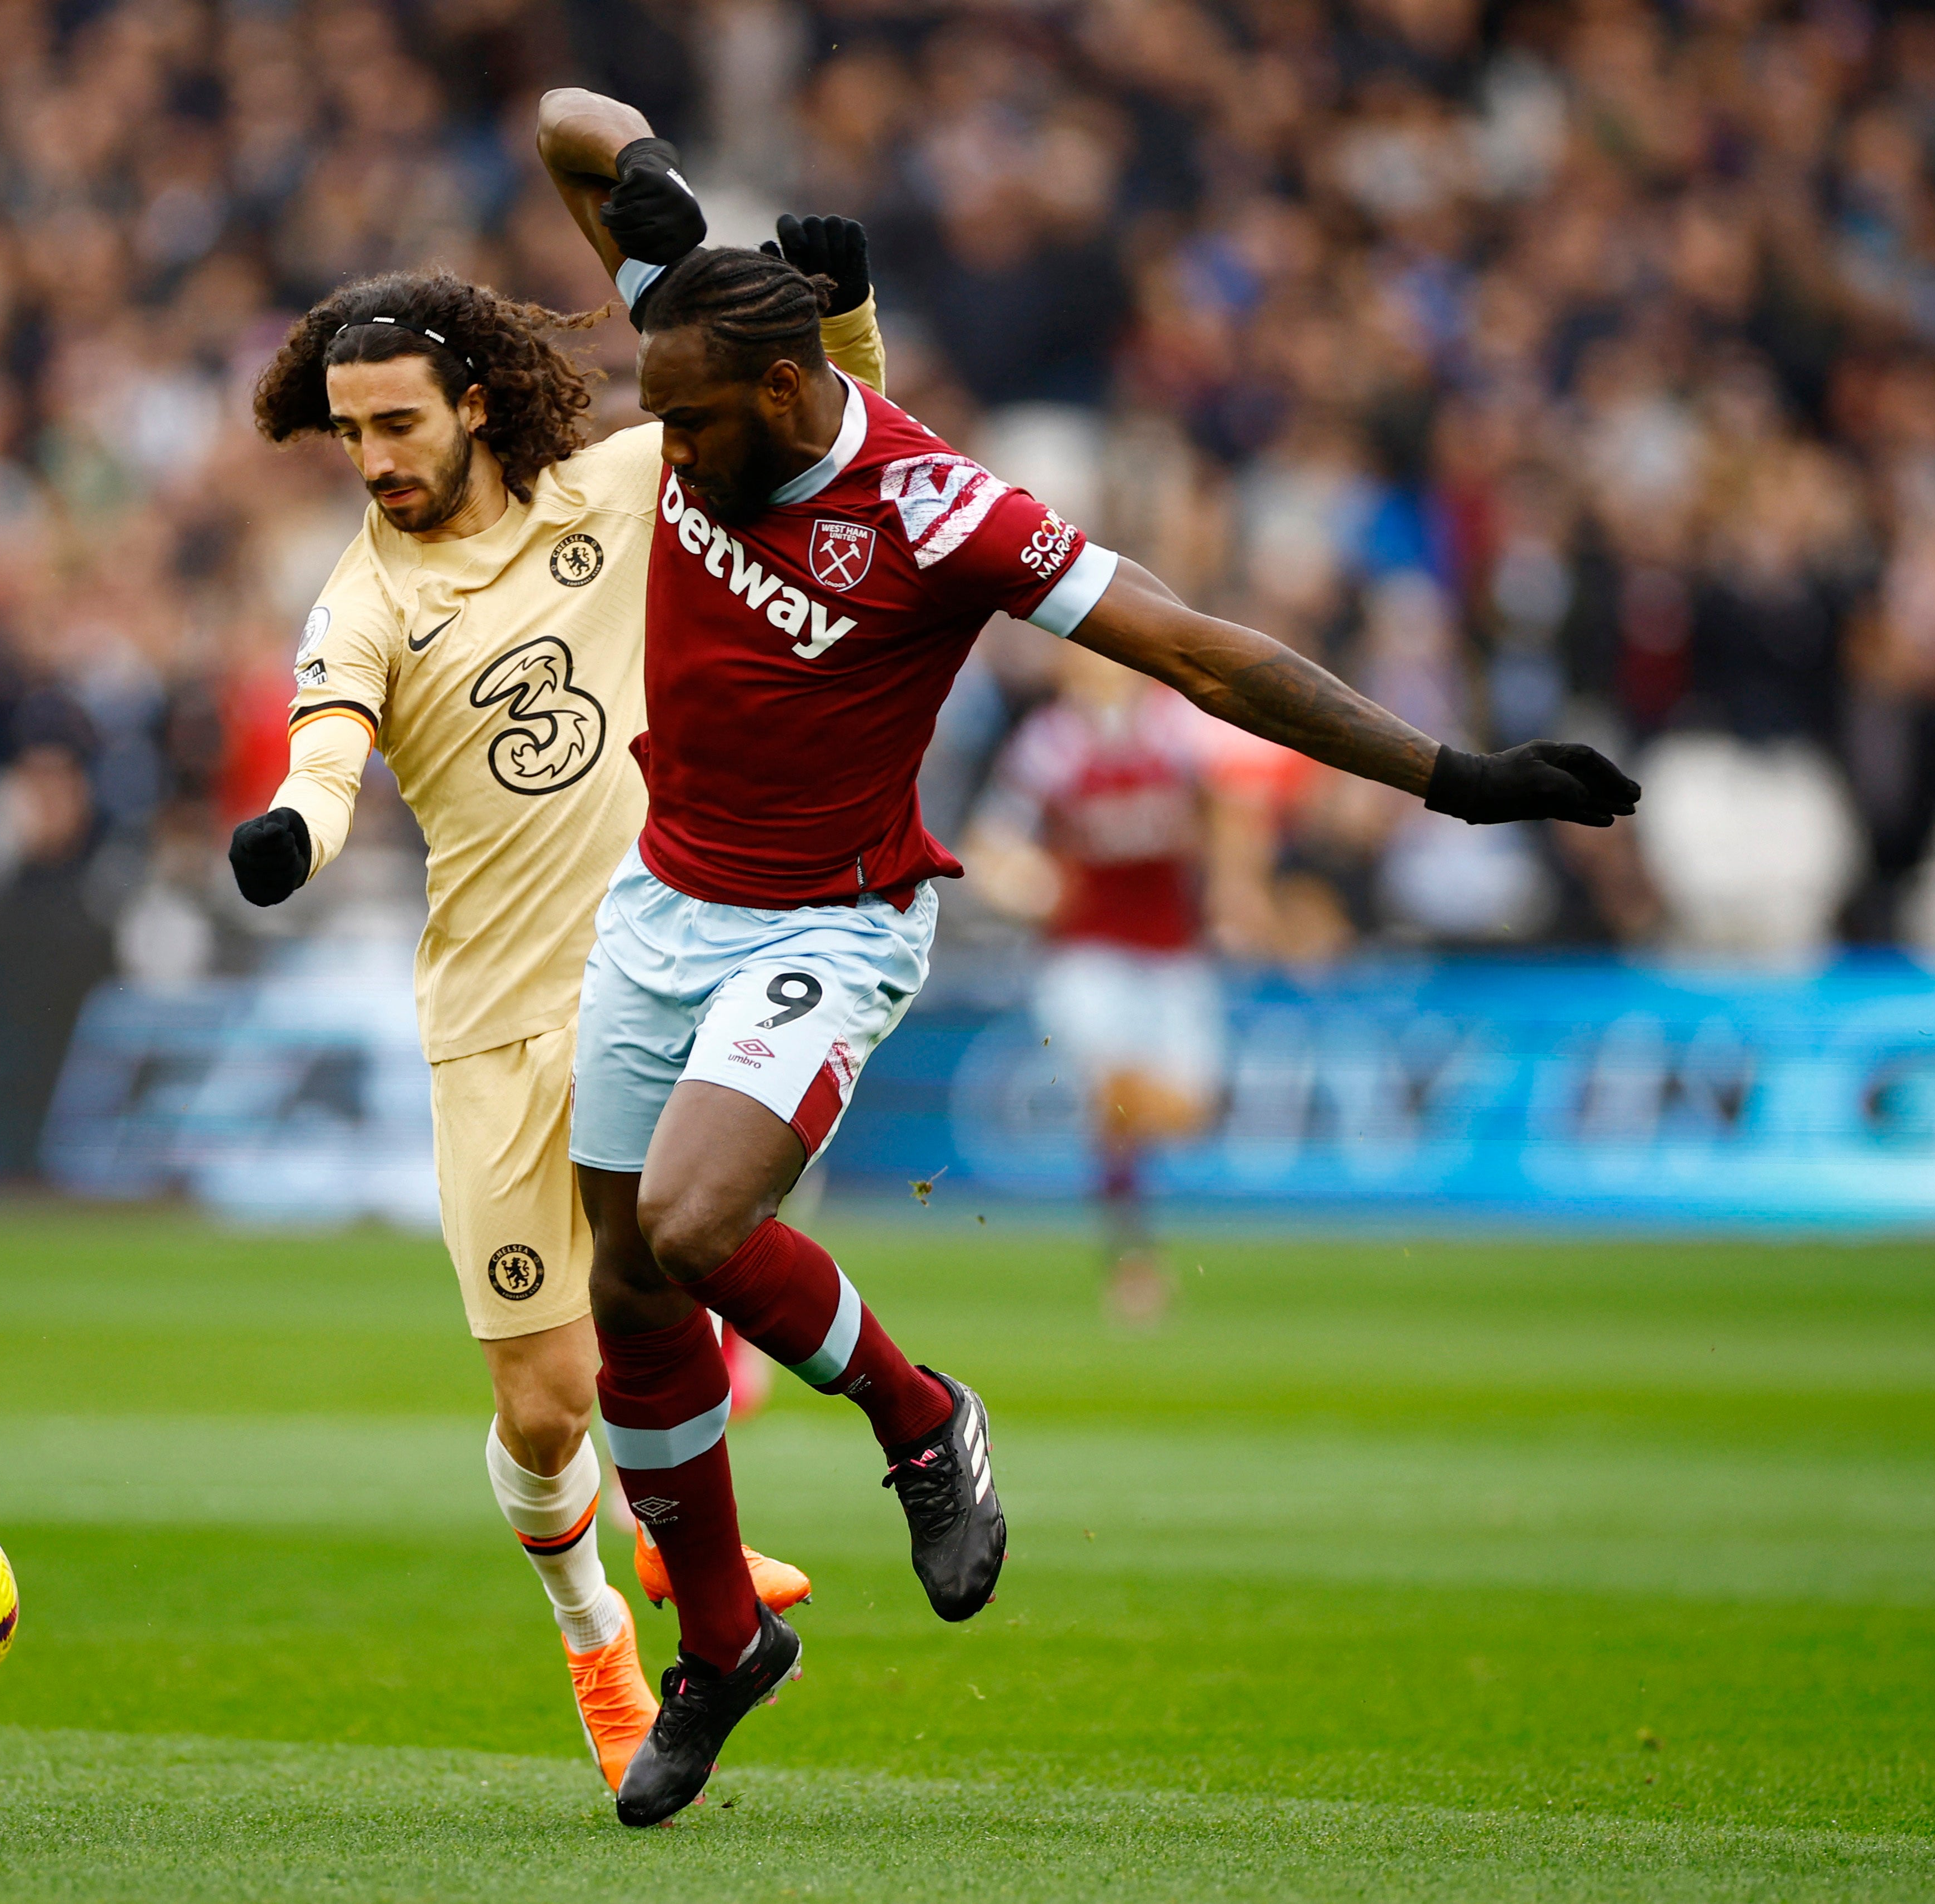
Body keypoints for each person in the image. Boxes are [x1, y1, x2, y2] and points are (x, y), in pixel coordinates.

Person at [536, 86, 1642, 1828]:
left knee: (690, 1225)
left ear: (780, 389)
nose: (663, 456)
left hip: (829, 912)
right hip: (660, 895)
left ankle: (921, 1417)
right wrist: (666, 189)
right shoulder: (704, 338)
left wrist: (1455, 776)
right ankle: (729, 1641)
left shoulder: (939, 508)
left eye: (686, 429)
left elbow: (1199, 653)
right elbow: (566, 120)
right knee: (625, 1294)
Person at [229, 250, 888, 1793]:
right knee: (543, 1407)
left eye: (397, 424)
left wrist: (836, 314)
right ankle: (595, 1624)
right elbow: (323, 758)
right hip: (492, 1026)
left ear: (473, 402)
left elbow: (827, 427)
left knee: (690, 1250)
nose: (375, 460)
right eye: (348, 435)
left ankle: (699, 1579)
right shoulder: (361, 601)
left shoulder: (612, 488)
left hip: (664, 981)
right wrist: (290, 834)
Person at [962, 644, 1300, 1323]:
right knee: (1114, 1093)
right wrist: (1027, 883)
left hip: (1172, 952)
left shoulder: (1176, 730)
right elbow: (988, 846)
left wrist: (1238, 887)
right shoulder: (1050, 744)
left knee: (1187, 1111)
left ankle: (1124, 1207)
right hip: (1084, 953)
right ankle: (1132, 1260)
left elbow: (1235, 802)